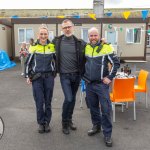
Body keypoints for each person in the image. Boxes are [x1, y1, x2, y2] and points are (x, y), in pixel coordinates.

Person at [83, 27, 120, 147]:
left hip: (101, 85)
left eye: (95, 35)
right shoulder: (86, 47)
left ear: (99, 36)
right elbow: (82, 62)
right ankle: (96, 126)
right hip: (89, 84)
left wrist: (110, 77)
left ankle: (107, 134)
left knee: (105, 109)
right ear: (88, 37)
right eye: (91, 36)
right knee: (93, 108)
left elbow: (116, 63)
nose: (93, 38)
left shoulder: (106, 47)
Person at [52, 19, 86, 134]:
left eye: (69, 27)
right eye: (65, 27)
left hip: (76, 76)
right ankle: (64, 123)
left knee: (73, 99)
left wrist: (103, 43)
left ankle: (70, 120)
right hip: (64, 76)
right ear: (62, 29)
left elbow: (92, 48)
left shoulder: (80, 42)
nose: (67, 29)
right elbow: (44, 46)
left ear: (73, 27)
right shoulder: (56, 41)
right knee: (69, 98)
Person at [25, 24, 56, 133]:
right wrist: (27, 76)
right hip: (37, 78)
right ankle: (41, 123)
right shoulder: (33, 46)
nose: (43, 36)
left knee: (48, 101)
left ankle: (47, 123)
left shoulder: (52, 46)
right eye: (41, 34)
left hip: (49, 78)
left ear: (48, 35)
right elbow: (27, 63)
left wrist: (54, 73)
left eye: (45, 34)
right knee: (39, 101)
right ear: (38, 35)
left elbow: (57, 61)